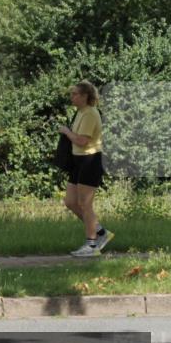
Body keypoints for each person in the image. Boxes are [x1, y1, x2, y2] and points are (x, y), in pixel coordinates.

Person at [59, 80, 113, 257]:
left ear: (84, 96)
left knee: (85, 204)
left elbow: (83, 141)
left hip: (90, 160)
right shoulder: (80, 112)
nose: (71, 97)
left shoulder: (90, 113)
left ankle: (91, 246)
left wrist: (66, 132)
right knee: (70, 202)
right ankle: (101, 233)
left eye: (74, 94)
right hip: (78, 161)